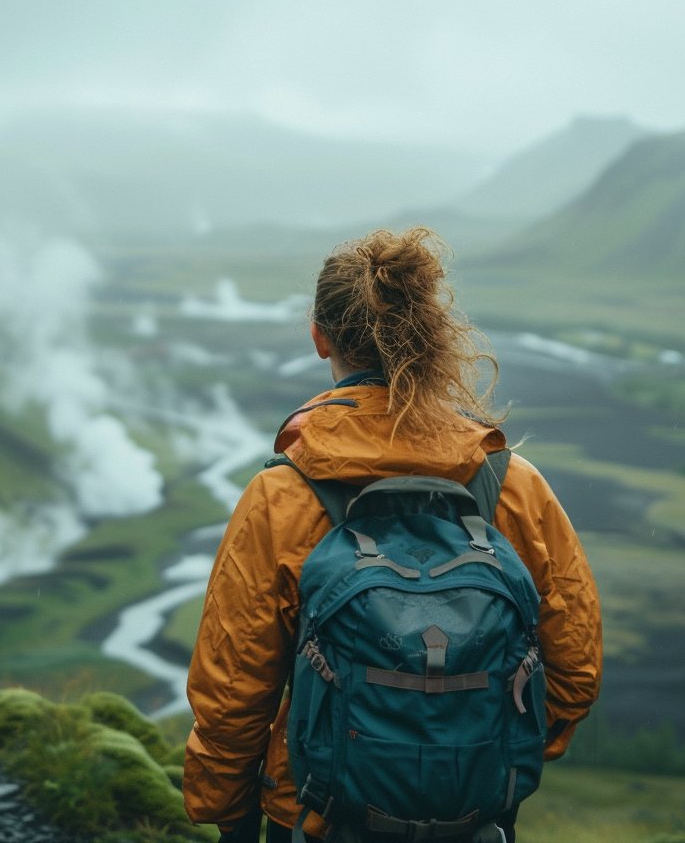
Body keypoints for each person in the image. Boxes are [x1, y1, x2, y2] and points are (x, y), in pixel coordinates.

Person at [182, 227, 602, 843]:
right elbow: (575, 669)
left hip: (315, 816)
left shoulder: (281, 497)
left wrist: (228, 814)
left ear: (319, 336)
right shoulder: (511, 484)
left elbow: (232, 693)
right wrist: (485, 762)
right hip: (474, 822)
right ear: (428, 334)